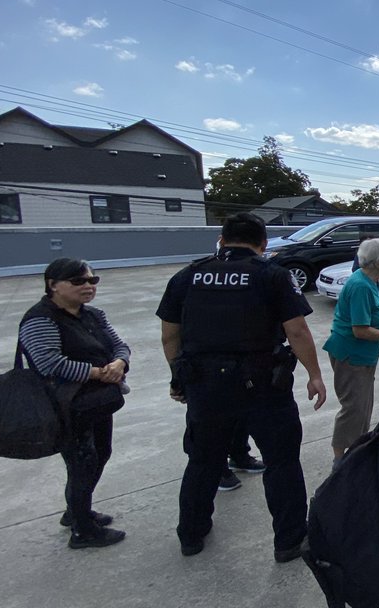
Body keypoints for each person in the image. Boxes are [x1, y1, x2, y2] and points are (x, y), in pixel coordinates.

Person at [157, 212, 327, 561]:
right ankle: (290, 540)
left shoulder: (187, 276)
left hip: (205, 387)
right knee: (281, 463)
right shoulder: (273, 276)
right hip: (263, 386)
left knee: (202, 461)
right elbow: (296, 330)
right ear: (263, 243)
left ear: (221, 240)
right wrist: (315, 374)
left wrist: (179, 377)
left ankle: (191, 534)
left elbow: (170, 334)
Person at [18, 258, 130, 549]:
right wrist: (98, 373)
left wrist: (120, 362)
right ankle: (83, 531)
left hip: (97, 401)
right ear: (53, 285)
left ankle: (77, 510)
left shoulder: (93, 314)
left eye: (92, 281)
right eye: (79, 281)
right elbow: (48, 363)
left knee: (100, 453)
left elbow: (118, 344)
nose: (88, 286)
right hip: (66, 406)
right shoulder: (40, 319)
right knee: (81, 462)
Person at [323, 238, 379, 461]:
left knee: (363, 407)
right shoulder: (360, 286)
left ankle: (357, 451)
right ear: (377, 262)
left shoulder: (371, 281)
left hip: (363, 357)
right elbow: (360, 330)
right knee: (353, 409)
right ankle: (340, 460)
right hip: (351, 356)